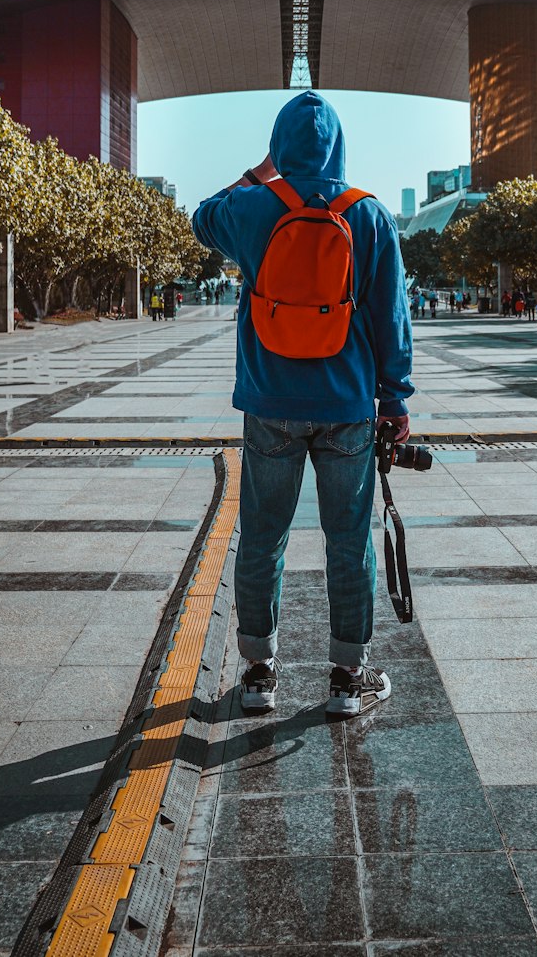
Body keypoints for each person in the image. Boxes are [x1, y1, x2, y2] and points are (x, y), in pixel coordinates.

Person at [192, 91, 413, 720]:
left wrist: (260, 175)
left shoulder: (253, 207)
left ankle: (259, 673)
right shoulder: (367, 214)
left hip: (269, 402)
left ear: (280, 145)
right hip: (347, 404)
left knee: (263, 534)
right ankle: (348, 677)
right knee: (350, 539)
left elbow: (200, 218)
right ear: (340, 145)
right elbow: (390, 317)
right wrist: (394, 397)